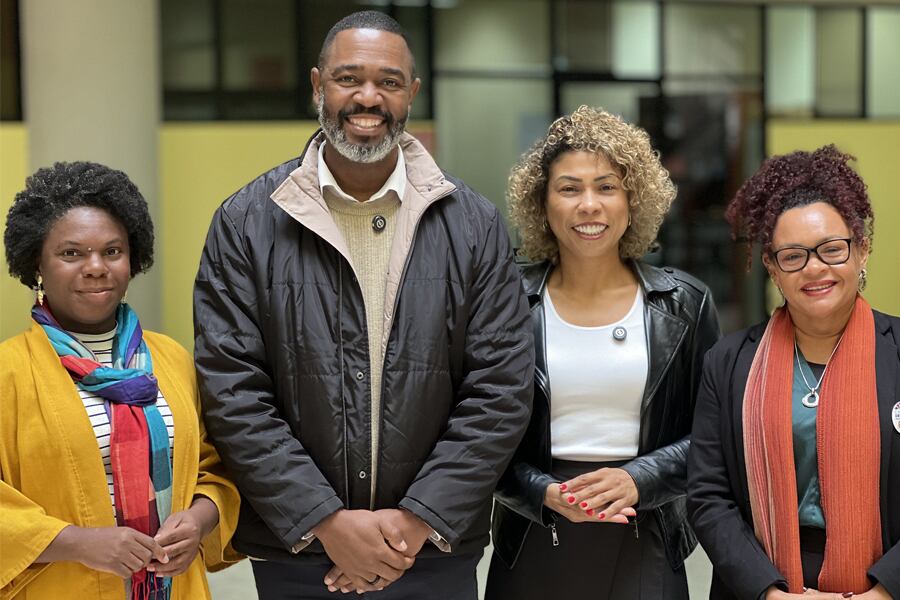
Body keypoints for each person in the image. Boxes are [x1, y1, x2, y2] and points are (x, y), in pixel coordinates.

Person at [192, 10, 533, 600]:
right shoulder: (245, 222)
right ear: (317, 85)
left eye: (389, 82)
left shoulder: (473, 224)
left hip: (431, 550)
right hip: (299, 551)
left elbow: (501, 388)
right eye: (349, 78)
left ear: (412, 93)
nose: (368, 97)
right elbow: (231, 389)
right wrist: (326, 521)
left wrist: (416, 520)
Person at [486, 105, 721, 600]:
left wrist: (640, 479)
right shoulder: (504, 302)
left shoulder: (685, 303)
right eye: (569, 188)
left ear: (633, 200)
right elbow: (475, 430)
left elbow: (713, 433)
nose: (589, 205)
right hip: (534, 531)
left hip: (644, 526)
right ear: (542, 203)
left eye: (607, 187)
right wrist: (540, 491)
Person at [0, 161, 240, 599]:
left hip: (175, 586)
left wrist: (198, 520)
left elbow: (217, 468)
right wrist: (77, 542)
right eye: (71, 254)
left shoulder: (171, 360)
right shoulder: (8, 372)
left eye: (112, 251)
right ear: (37, 264)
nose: (96, 267)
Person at [687, 145, 899, 600]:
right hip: (761, 581)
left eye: (832, 249)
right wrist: (769, 593)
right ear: (771, 267)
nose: (815, 268)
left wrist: (883, 592)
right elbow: (708, 496)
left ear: (862, 250)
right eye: (793, 256)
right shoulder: (728, 363)